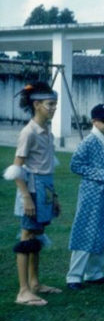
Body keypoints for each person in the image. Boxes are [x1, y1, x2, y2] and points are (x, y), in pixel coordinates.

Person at [3, 81, 62, 306]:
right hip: (32, 189)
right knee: (27, 235)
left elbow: (47, 165)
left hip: (45, 188)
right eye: (50, 104)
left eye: (55, 104)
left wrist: (53, 196)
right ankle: (23, 290)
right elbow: (17, 168)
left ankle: (35, 283)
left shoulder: (47, 132)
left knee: (36, 235)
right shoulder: (28, 133)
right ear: (36, 104)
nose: (54, 108)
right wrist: (26, 196)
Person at [66, 104, 104, 290]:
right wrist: (102, 174)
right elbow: (75, 165)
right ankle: (74, 276)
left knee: (102, 232)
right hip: (91, 194)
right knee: (85, 231)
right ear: (94, 122)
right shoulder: (88, 142)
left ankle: (95, 274)